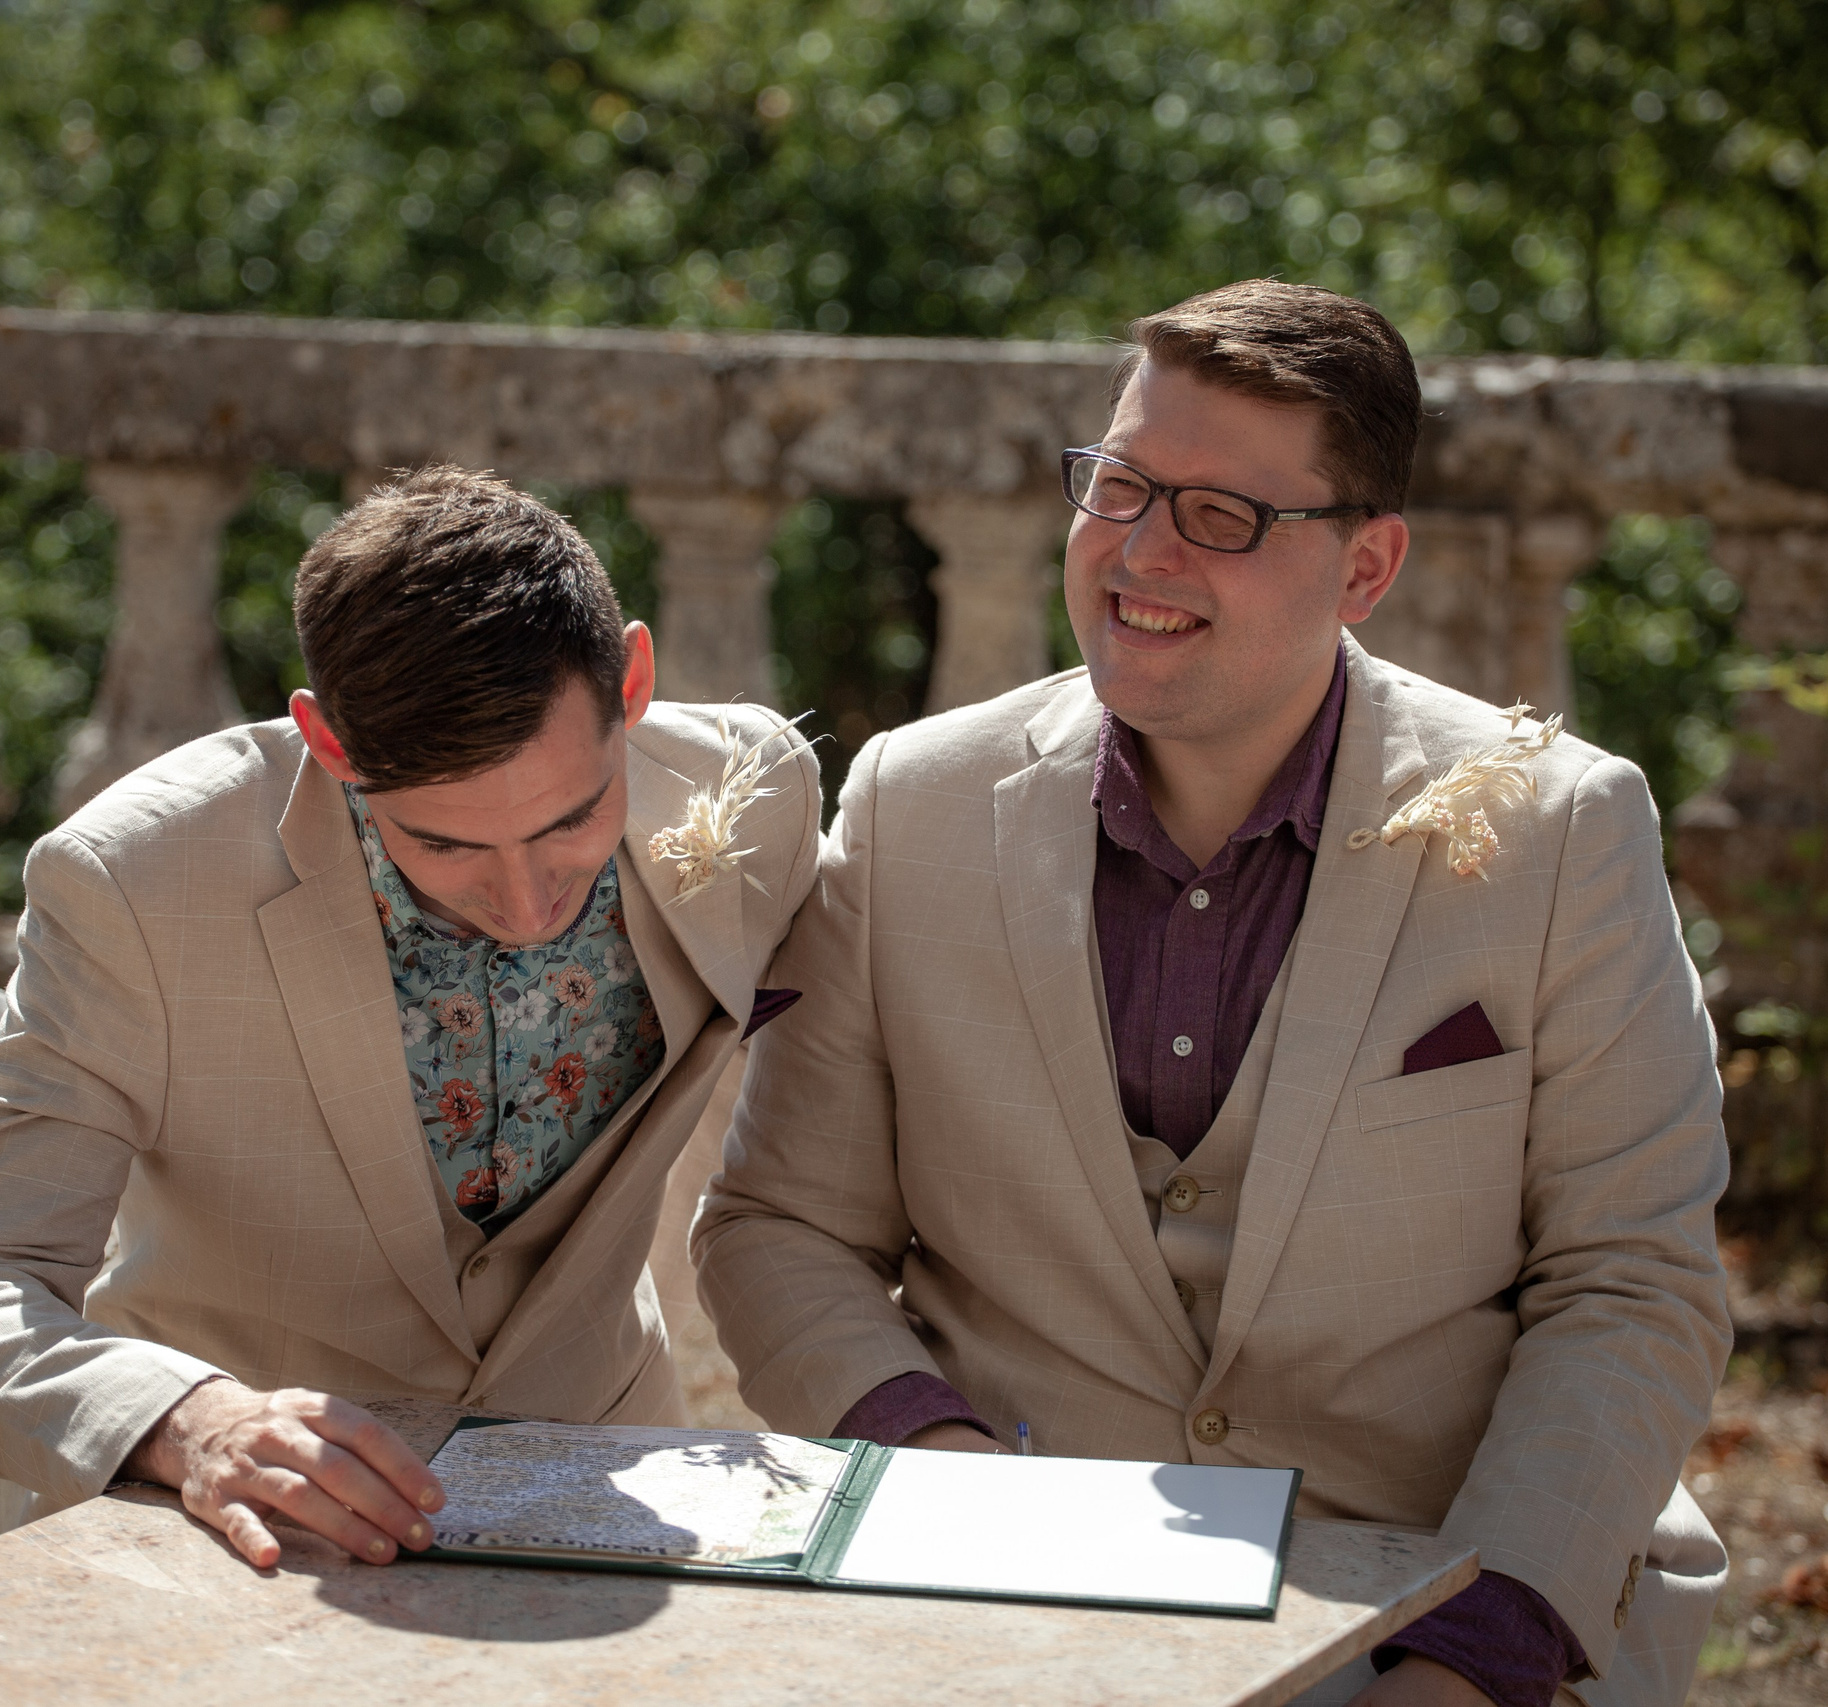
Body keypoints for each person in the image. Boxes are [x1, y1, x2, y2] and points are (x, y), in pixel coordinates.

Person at [693, 281, 1730, 1707]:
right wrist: (948, 1482)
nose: (1140, 550)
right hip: (1007, 1600)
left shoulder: (1564, 829)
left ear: (1366, 569)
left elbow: (1635, 1282)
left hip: (1440, 1591)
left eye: (1222, 515)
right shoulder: (914, 802)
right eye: (1120, 483)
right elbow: (780, 1228)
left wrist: (1473, 1652)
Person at [0, 464, 819, 1570]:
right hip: (236, 1531)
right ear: (329, 746)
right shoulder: (133, 881)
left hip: (605, 1486)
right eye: (446, 846)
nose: (528, 903)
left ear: (634, 680)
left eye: (573, 819)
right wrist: (193, 1424)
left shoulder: (758, 791)